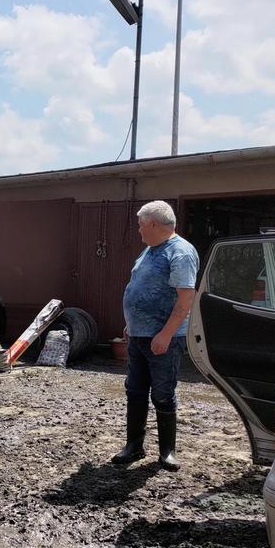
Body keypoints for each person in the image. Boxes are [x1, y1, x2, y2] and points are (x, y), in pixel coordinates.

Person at [112, 200, 199, 472]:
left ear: (153, 224)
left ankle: (167, 452)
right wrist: (130, 324)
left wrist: (165, 333)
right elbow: (138, 287)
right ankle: (134, 446)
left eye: (140, 225)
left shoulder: (180, 252)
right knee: (135, 390)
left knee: (162, 393)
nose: (138, 230)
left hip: (163, 338)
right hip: (139, 335)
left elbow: (186, 299)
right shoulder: (149, 250)